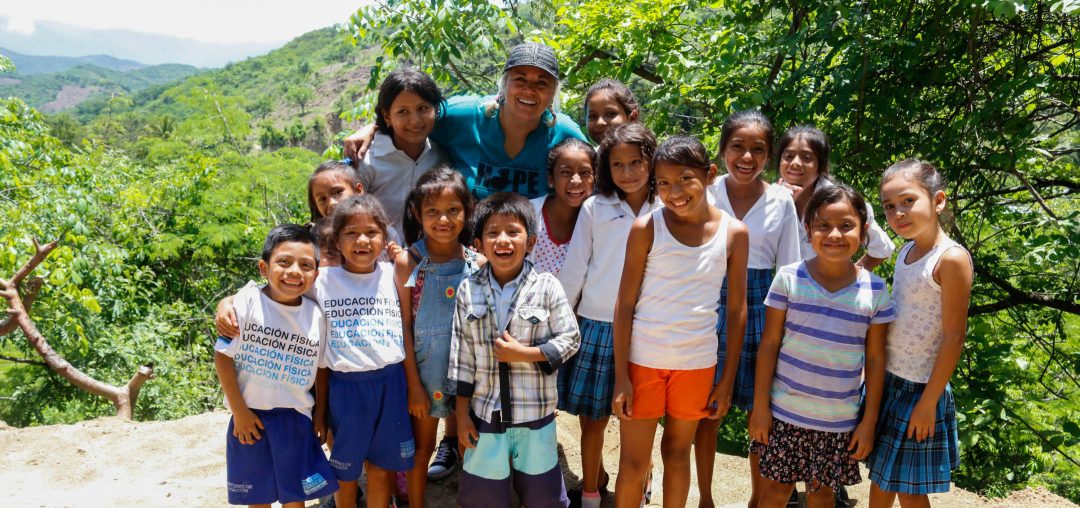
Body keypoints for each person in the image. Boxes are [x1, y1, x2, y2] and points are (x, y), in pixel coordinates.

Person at [610, 135, 749, 508]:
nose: (674, 192)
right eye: (664, 183)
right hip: (643, 362)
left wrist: (727, 380)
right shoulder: (647, 228)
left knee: (676, 454)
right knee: (633, 462)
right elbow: (624, 304)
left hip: (696, 365)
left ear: (710, 175)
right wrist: (621, 375)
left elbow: (737, 311)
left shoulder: (734, 233)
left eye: (685, 179)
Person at [748, 183, 894, 507]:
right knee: (774, 492)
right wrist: (760, 408)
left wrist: (868, 422)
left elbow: (875, 359)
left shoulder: (875, 291)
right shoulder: (788, 278)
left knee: (822, 495)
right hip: (784, 414)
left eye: (846, 225)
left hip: (838, 420)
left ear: (864, 232)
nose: (834, 235)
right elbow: (769, 344)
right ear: (808, 229)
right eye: (823, 225)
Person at [695, 110, 801, 508]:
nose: (746, 157)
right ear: (723, 149)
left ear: (769, 156)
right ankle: (705, 499)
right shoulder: (705, 192)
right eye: (737, 146)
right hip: (707, 305)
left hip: (762, 309)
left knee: (760, 412)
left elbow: (789, 269)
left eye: (758, 149)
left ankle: (758, 501)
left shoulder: (781, 201)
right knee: (707, 411)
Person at [449, 192, 581, 508]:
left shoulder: (547, 286)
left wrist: (526, 354)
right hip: (485, 416)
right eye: (492, 233)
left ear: (531, 242)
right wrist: (462, 416)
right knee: (483, 498)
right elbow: (461, 357)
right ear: (478, 244)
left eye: (513, 231)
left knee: (543, 497)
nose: (503, 240)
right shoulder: (468, 289)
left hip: (535, 418)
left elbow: (571, 338)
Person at [556, 123, 663, 506]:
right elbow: (576, 267)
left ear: (653, 161)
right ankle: (590, 491)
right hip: (597, 325)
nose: (627, 171)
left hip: (649, 328)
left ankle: (641, 480)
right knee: (593, 418)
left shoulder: (666, 207)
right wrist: (560, 321)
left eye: (636, 162)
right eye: (618, 164)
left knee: (641, 419)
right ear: (606, 167)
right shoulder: (595, 207)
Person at [344, 42, 588, 199]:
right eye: (520, 79)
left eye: (542, 83)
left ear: (553, 93)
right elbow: (415, 119)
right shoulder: (464, 116)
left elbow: (597, 178)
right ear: (504, 85)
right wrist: (375, 127)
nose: (529, 90)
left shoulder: (564, 134)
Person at [869, 160, 972, 507]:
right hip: (890, 381)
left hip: (922, 389)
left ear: (938, 201)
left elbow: (954, 336)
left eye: (908, 201)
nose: (898, 213)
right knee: (886, 480)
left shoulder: (951, 259)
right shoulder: (907, 251)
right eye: (889, 206)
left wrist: (928, 403)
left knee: (907, 491)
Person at [213, 224, 338, 507]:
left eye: (305, 265)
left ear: (315, 274)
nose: (294, 271)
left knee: (296, 498)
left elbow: (321, 368)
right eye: (284, 262)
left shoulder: (316, 315)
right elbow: (222, 357)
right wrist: (239, 412)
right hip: (250, 418)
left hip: (296, 418)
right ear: (263, 268)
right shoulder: (247, 302)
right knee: (258, 497)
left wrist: (319, 414)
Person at [394, 166, 483, 506]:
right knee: (422, 449)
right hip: (424, 373)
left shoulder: (478, 263)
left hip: (470, 374)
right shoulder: (409, 261)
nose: (443, 219)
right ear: (417, 213)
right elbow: (403, 326)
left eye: (453, 210)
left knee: (469, 445)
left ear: (467, 211)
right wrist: (413, 385)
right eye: (432, 211)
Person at [774, 125, 894, 270]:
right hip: (784, 284)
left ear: (821, 166)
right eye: (788, 156)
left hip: (828, 285)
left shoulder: (844, 203)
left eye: (807, 158)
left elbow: (882, 248)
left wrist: (851, 277)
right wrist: (778, 206)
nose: (795, 163)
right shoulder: (770, 198)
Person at [357, 68, 447, 233]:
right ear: (387, 116)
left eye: (423, 108)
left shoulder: (441, 155)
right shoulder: (368, 160)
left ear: (435, 109)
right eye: (402, 112)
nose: (415, 120)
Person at [527, 138, 596, 276]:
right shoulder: (528, 214)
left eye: (584, 172)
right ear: (551, 179)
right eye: (566, 172)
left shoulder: (599, 220)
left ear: (595, 178)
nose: (576, 181)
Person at [583, 78, 640, 144]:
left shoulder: (645, 150)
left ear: (632, 118)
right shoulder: (583, 150)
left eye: (610, 114)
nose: (600, 123)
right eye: (593, 116)